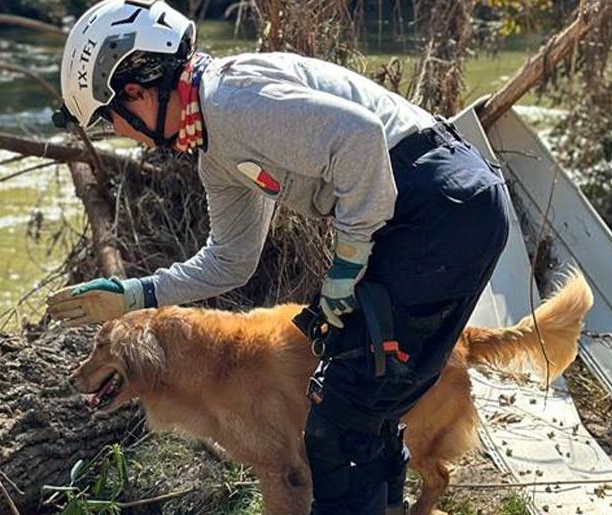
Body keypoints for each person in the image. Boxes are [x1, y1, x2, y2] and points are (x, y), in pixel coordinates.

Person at [47, 1, 510, 514]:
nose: (122, 134)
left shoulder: (231, 101)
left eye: (113, 120)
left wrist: (347, 263)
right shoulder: (214, 146)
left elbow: (360, 140)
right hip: (430, 212)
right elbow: (231, 258)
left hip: (439, 208)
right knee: (369, 405)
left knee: (340, 417)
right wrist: (137, 293)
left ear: (137, 92)